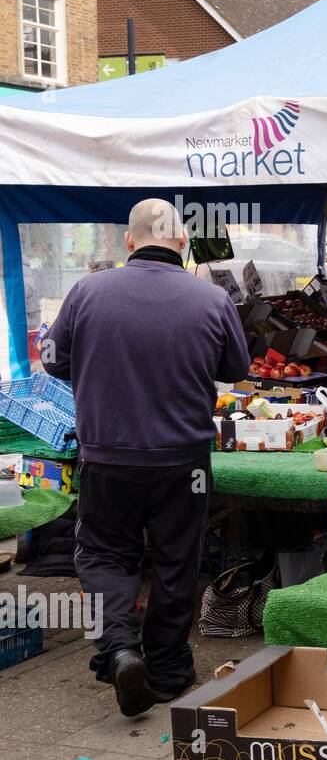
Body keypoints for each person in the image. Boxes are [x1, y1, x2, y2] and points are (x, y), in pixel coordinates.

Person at [44, 199, 251, 716]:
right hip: (183, 460)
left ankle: (117, 646)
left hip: (107, 456)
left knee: (103, 554)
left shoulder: (88, 290)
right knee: (176, 561)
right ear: (182, 243)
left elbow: (52, 360)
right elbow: (236, 368)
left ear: (129, 243)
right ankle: (166, 668)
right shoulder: (211, 298)